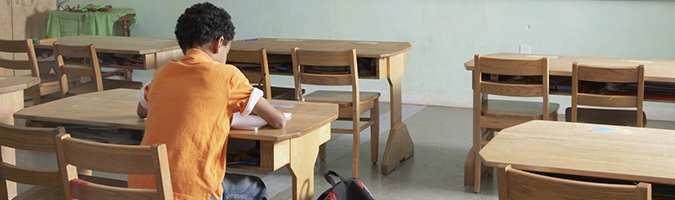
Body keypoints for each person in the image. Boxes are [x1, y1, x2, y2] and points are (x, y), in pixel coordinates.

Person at [128, 2, 286, 200]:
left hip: (142, 189)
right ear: (219, 43)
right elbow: (278, 121)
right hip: (192, 192)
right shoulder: (227, 76)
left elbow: (141, 111)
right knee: (255, 187)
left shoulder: (162, 73)